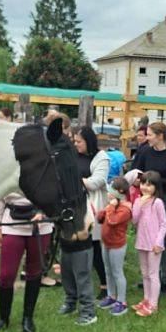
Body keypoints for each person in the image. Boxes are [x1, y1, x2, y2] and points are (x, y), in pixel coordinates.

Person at [0, 192, 53, 332]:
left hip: (41, 224)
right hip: (12, 223)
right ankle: (3, 319)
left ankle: (27, 318)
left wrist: (44, 211)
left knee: (34, 272)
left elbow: (55, 191)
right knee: (6, 275)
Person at [133, 122, 166, 295]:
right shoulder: (145, 152)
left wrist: (157, 182)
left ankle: (165, 281)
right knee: (146, 238)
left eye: (149, 135)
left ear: (160, 136)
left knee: (164, 238)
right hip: (147, 199)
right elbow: (136, 171)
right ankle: (148, 277)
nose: (146, 138)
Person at [74, 127, 110, 299]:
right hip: (76, 204)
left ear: (88, 141)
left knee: (94, 246)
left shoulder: (102, 158)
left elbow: (97, 182)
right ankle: (78, 280)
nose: (76, 144)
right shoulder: (74, 155)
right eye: (75, 141)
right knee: (77, 244)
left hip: (93, 205)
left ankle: (104, 284)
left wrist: (74, 180)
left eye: (79, 141)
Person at [131, 171, 166, 317]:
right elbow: (134, 220)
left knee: (153, 274)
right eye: (143, 184)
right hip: (141, 243)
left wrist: (159, 242)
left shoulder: (157, 202)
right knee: (145, 273)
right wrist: (139, 204)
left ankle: (153, 304)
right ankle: (146, 299)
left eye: (149, 184)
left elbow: (164, 224)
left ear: (156, 187)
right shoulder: (138, 201)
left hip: (154, 245)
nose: (145, 187)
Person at [96, 177, 132, 316]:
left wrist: (110, 208)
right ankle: (111, 296)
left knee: (117, 272)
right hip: (106, 243)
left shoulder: (125, 209)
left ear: (119, 192)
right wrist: (103, 211)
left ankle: (122, 302)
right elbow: (101, 220)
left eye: (111, 191)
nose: (108, 193)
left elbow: (112, 221)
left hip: (117, 246)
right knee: (108, 270)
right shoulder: (112, 206)